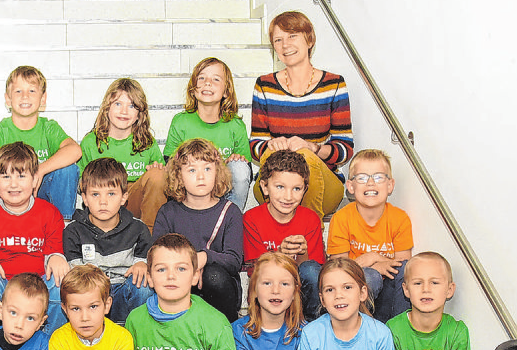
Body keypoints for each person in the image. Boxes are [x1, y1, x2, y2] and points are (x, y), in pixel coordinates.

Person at [250, 10, 352, 219]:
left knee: (303, 157)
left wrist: (312, 148)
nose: (285, 44)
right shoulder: (264, 85)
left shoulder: (334, 84)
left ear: (309, 39)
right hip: (274, 188)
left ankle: (307, 233)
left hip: (325, 187)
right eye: (278, 40)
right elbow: (254, 146)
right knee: (272, 155)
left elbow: (345, 149)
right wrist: (270, 145)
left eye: (292, 36)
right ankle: (279, 229)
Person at [0, 141, 68, 337]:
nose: (13, 184)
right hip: (2, 284)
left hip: (39, 284)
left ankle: (54, 346)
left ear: (35, 179)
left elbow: (55, 250)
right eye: (5, 176)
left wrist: (55, 256)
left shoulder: (50, 213)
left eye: (21, 176)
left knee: (60, 279)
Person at [0, 65, 81, 218]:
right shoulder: (1, 130)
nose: (25, 96)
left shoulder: (48, 128)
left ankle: (62, 226)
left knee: (68, 170)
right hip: (8, 195)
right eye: (18, 91)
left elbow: (75, 150)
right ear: (8, 98)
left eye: (32, 91)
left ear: (43, 98)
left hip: (38, 194)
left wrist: (40, 170)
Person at [153, 138, 245, 321]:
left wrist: (205, 257)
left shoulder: (230, 211)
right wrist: (189, 265)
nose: (201, 176)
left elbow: (234, 260)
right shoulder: (168, 212)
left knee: (213, 275)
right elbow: (157, 255)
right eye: (192, 170)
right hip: (178, 283)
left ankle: (226, 333)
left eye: (207, 169)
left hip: (218, 290)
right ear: (179, 176)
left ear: (217, 172)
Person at [326, 149, 413, 323]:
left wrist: (374, 259)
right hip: (357, 292)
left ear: (390, 185)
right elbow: (338, 270)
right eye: (362, 178)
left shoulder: (399, 218)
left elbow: (402, 265)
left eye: (379, 177)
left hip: (389, 297)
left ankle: (397, 332)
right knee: (371, 276)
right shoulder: (341, 218)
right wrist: (369, 262)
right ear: (351, 186)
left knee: (405, 271)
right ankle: (360, 330)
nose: (371, 183)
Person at [63, 157, 153, 323]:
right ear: (84, 198)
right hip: (90, 295)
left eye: (111, 194)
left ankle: (134, 333)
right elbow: (75, 276)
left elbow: (145, 266)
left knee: (144, 287)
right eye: (95, 194)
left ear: (124, 197)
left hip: (123, 291)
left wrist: (142, 265)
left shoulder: (138, 229)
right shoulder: (73, 231)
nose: (103, 202)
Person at [243, 150, 325, 320]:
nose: (288, 196)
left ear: (305, 190)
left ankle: (311, 327)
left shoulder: (311, 219)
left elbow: (315, 274)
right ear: (265, 187)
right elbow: (256, 273)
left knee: (311, 270)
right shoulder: (252, 219)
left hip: (300, 293)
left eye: (296, 189)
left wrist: (302, 254)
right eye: (280, 187)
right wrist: (280, 254)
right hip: (267, 294)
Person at [164, 57, 253, 210]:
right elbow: (169, 164)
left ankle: (231, 219)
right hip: (189, 194)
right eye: (202, 78)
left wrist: (235, 159)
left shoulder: (236, 125)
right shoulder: (181, 122)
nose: (208, 82)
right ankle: (186, 218)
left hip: (223, 192)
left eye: (216, 79)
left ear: (226, 91)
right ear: (193, 88)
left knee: (239, 167)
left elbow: (246, 173)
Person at [79, 78, 167, 231]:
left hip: (134, 202)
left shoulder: (147, 143)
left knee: (158, 175)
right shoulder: (91, 142)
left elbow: (161, 182)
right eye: (118, 104)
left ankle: (149, 238)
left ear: (140, 114)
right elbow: (82, 185)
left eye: (132, 106)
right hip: (104, 201)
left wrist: (156, 170)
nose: (124, 111)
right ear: (107, 108)